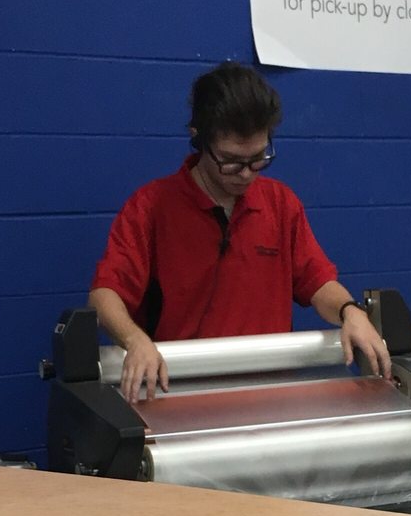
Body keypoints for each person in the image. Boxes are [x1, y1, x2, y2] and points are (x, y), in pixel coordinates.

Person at [89, 61, 391, 404]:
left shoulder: (281, 204)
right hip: (178, 396)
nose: (246, 174)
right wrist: (134, 340)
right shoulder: (150, 207)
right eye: (231, 161)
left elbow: (318, 282)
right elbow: (104, 295)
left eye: (258, 158)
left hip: (270, 397)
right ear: (199, 139)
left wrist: (350, 312)